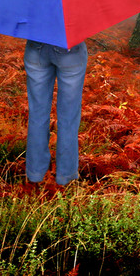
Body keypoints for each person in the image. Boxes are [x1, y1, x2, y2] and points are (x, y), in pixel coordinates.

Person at [23, 39, 88, 186]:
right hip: (71, 49)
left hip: (36, 46)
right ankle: (66, 176)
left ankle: (35, 174)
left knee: (37, 114)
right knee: (68, 118)